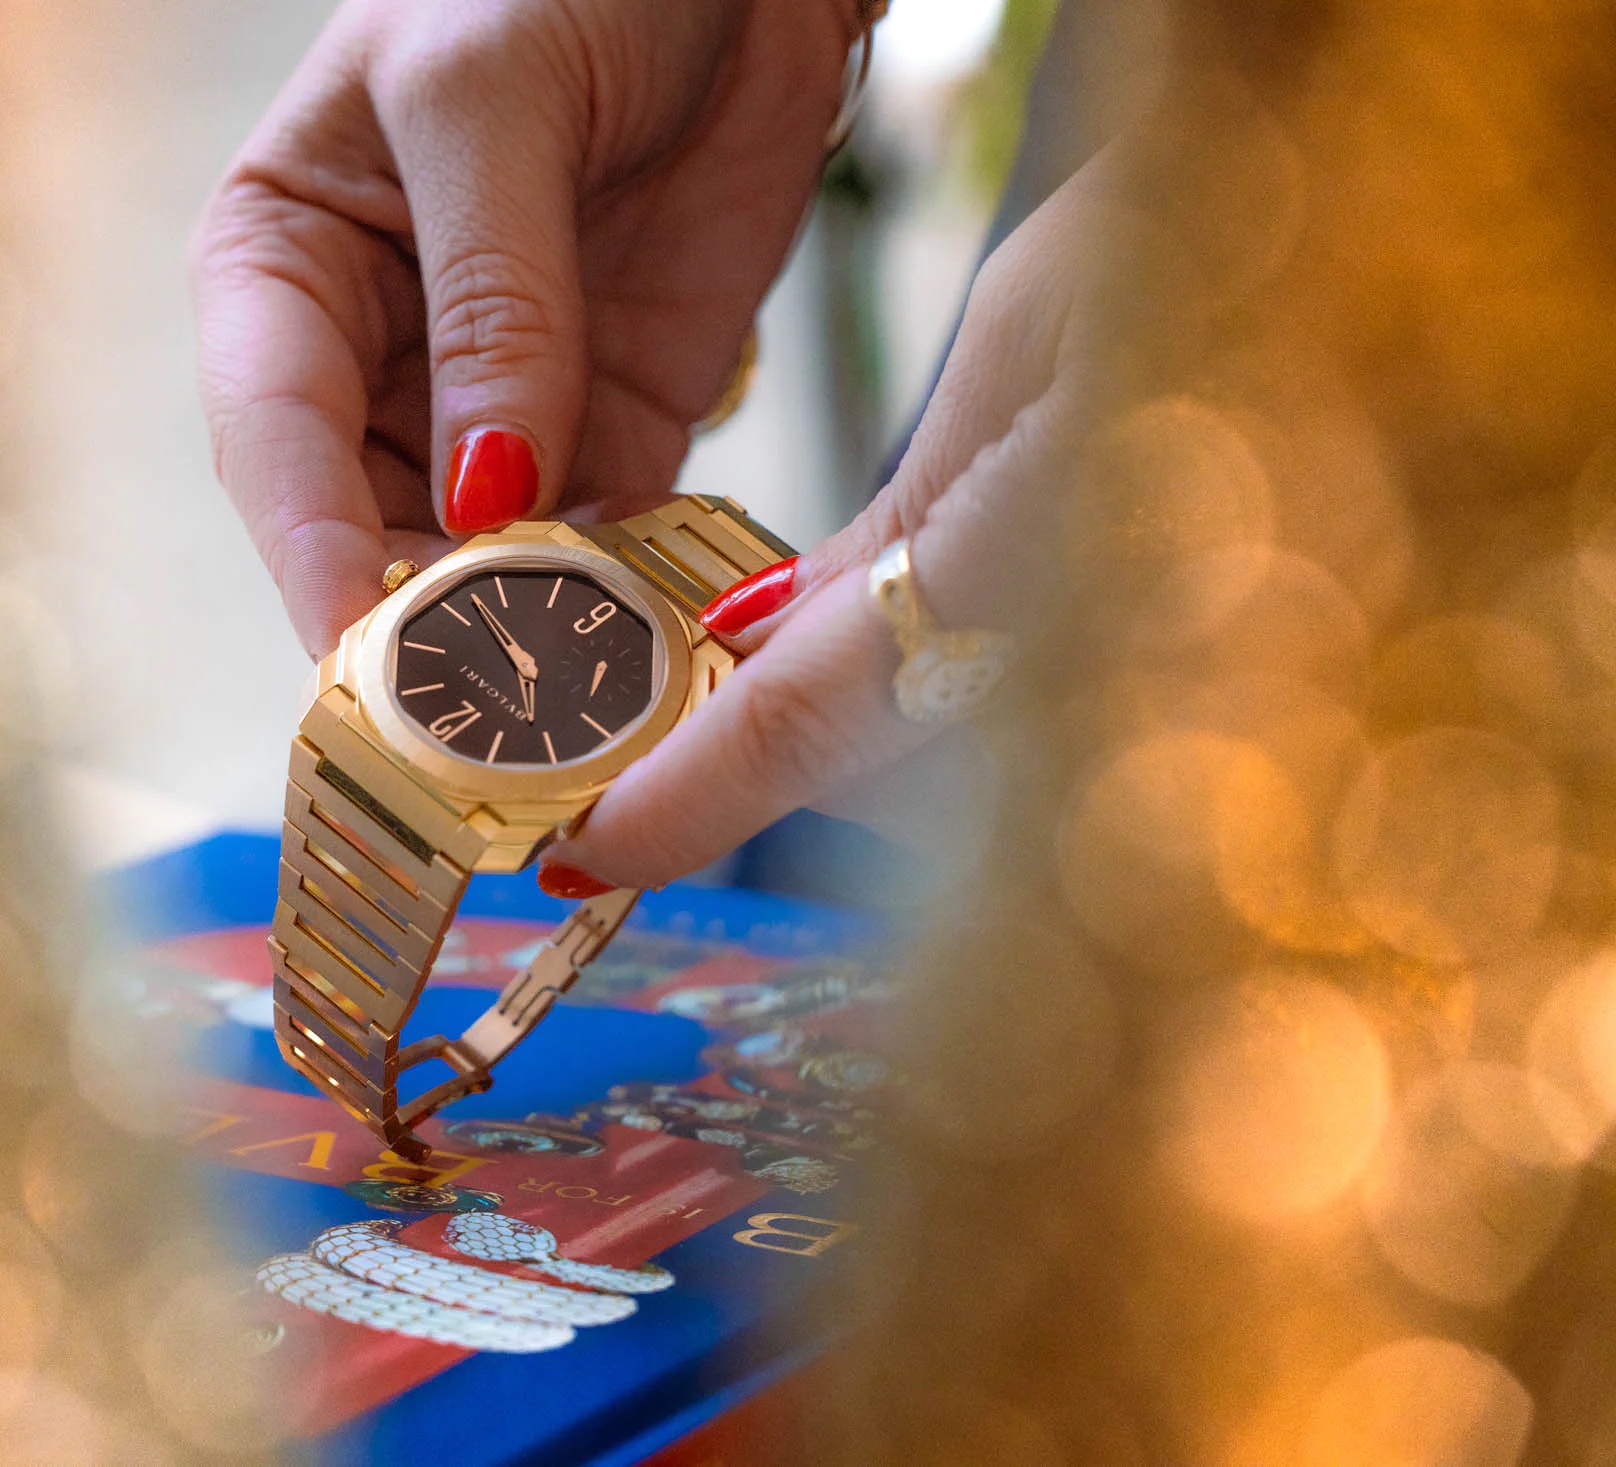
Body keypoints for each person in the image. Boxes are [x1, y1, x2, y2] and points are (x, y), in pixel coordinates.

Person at [191, 0, 1112, 899]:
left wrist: (1240, 234)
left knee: (902, 791)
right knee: (834, 772)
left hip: (1147, 259)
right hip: (1120, 167)